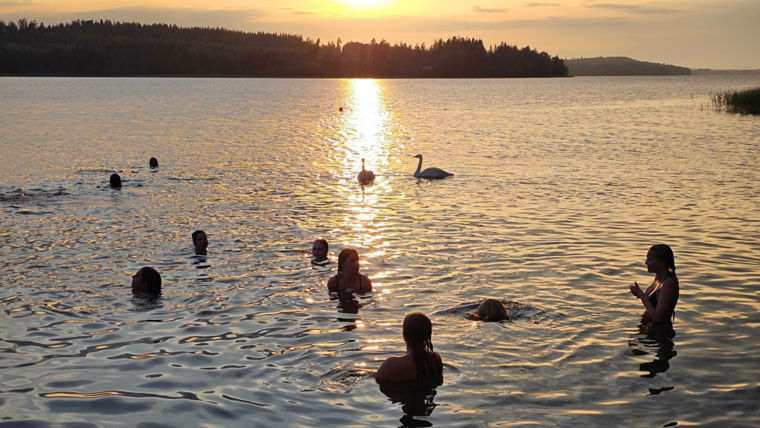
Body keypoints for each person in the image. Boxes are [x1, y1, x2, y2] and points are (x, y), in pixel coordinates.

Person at [375, 312, 443, 383]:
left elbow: (378, 378)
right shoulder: (436, 359)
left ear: (404, 334)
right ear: (428, 334)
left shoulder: (391, 364)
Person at [629, 244, 679, 325]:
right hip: (648, 328)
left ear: (662, 262)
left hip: (658, 334)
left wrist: (641, 295)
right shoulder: (658, 278)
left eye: (650, 259)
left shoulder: (669, 283)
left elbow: (658, 319)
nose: (646, 262)